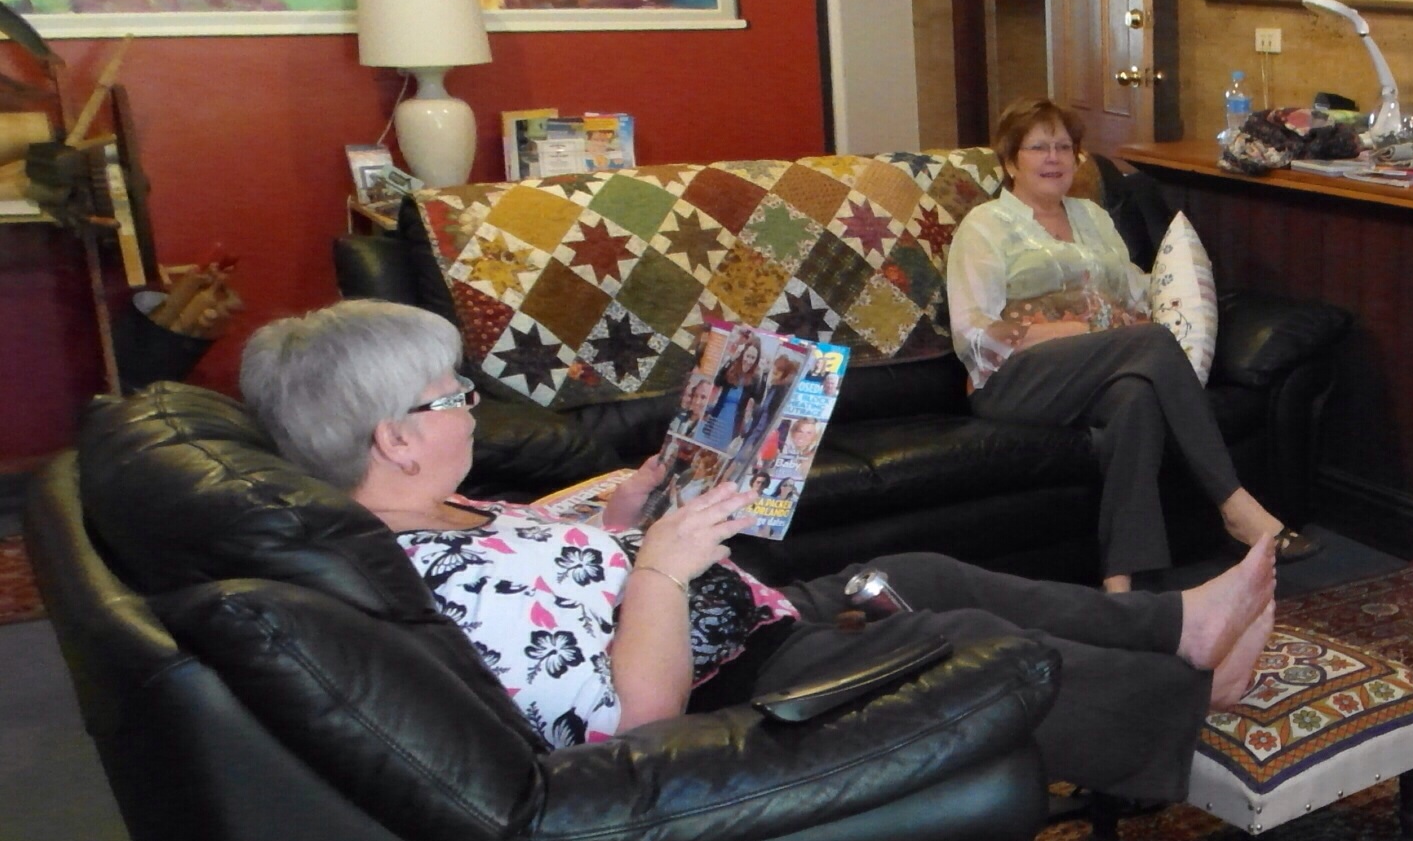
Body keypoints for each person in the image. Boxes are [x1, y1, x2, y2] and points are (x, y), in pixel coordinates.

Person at [236, 300, 1277, 803]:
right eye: (452, 394)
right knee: (956, 642)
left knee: (921, 574)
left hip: (745, 622)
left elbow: (557, 575)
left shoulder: (439, 512)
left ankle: (1180, 626)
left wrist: (624, 513)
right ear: (396, 439)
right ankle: (1191, 701)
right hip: (738, 685)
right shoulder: (439, 585)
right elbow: (636, 722)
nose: (472, 404)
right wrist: (661, 563)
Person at [947, 96, 1312, 592]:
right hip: (1011, 378)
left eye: (1063, 147)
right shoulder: (986, 225)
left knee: (1136, 396)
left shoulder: (1093, 217)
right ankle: (1235, 505)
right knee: (1153, 344)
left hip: (1091, 370)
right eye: (1038, 148)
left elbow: (1136, 289)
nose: (1054, 158)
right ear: (1011, 161)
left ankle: (1120, 584)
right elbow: (972, 332)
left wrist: (1144, 315)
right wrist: (1074, 331)